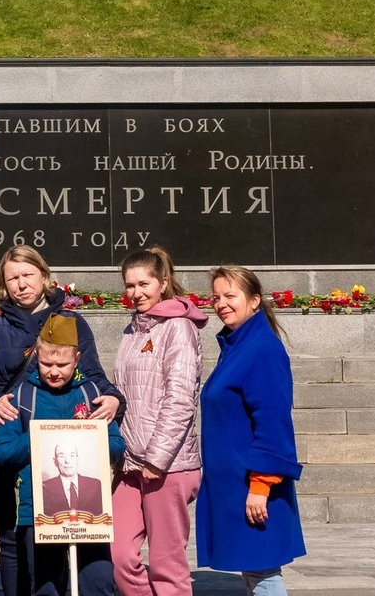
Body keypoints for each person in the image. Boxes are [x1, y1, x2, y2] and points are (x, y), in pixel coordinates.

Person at [0, 246, 119, 596]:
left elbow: (93, 374)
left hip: (65, 445)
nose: (20, 284)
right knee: (12, 533)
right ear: (3, 285)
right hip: (7, 437)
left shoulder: (72, 321)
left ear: (44, 276)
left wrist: (113, 399)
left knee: (67, 533)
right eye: (12, 278)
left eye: (27, 275)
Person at [0, 316, 121, 596]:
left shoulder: (91, 394)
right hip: (36, 510)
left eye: (62, 365)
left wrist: (90, 436)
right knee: (46, 586)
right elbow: (2, 452)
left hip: (89, 510)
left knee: (98, 581)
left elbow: (117, 445)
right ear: (37, 356)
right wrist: (41, 437)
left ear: (76, 359)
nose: (53, 371)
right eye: (46, 363)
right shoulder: (22, 396)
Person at [196, 266, 305, 596]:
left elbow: (273, 423)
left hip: (253, 486)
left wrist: (261, 485)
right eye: (216, 297)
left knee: (264, 575)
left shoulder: (262, 348)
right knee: (254, 574)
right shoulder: (238, 345)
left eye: (231, 296)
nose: (221, 304)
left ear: (255, 300)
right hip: (234, 484)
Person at [112, 246, 207, 596]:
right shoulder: (132, 329)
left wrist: (157, 457)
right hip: (130, 464)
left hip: (167, 466)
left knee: (167, 565)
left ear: (163, 283)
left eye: (143, 284)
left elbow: (180, 398)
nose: (136, 293)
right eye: (129, 285)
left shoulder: (179, 327)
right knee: (118, 554)